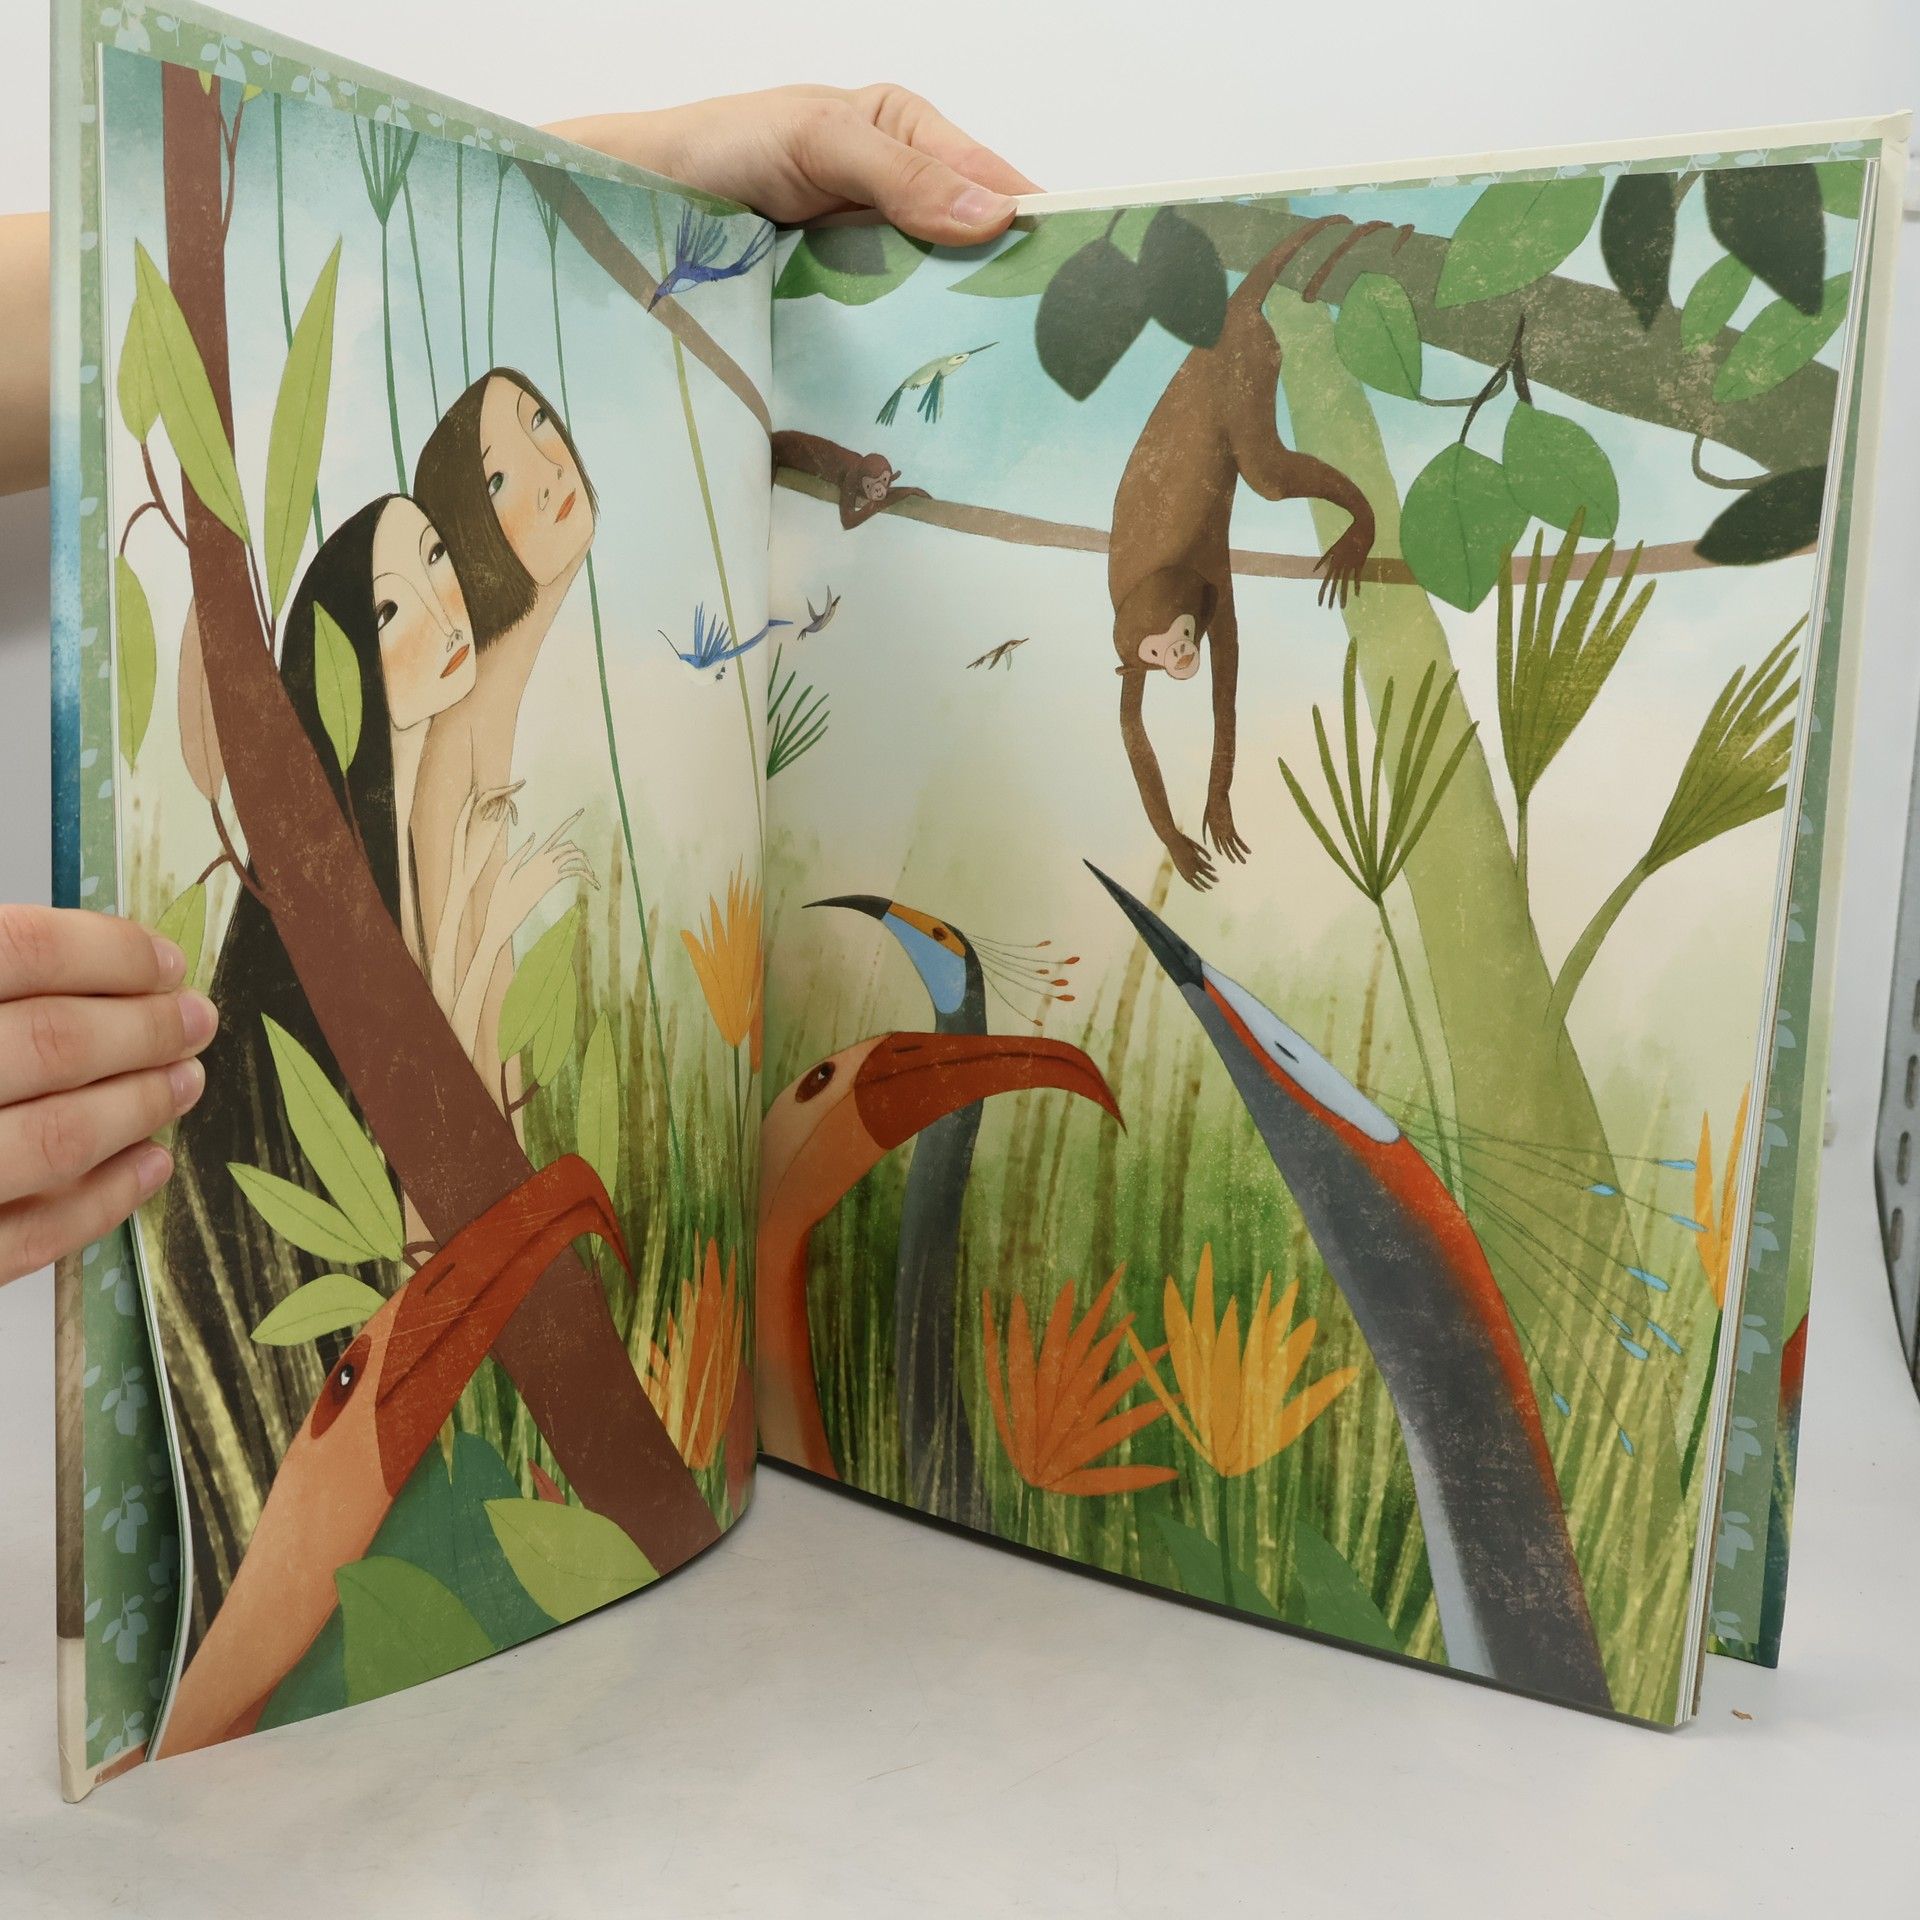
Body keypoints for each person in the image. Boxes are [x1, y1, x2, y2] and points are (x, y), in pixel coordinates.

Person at [0, 83, 1036, 1287]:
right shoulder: (425, 765)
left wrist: (638, 181)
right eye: (492, 480)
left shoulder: (465, 728)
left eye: (541, 424)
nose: (549, 465)